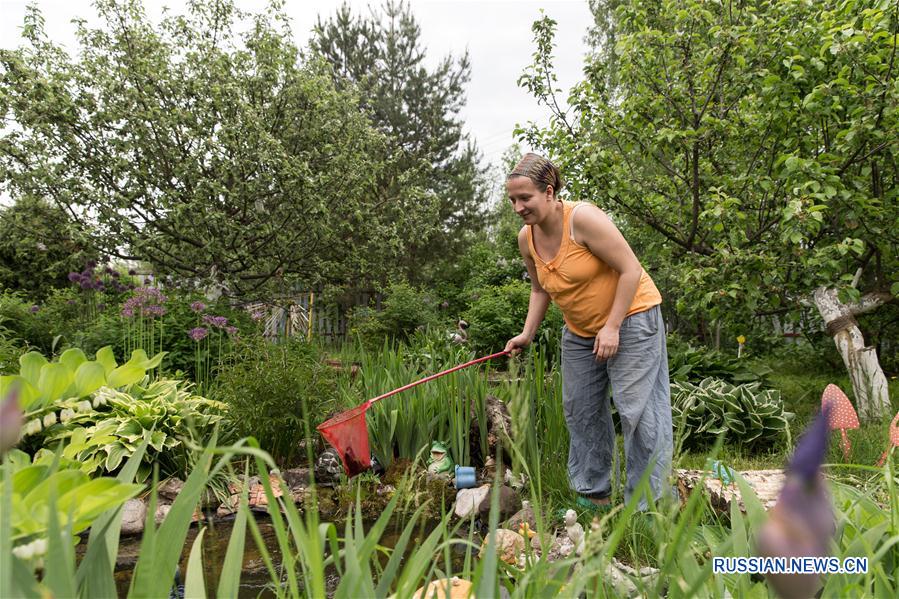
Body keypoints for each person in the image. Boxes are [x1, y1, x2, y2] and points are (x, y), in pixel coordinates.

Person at [503, 153, 672, 510]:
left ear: (549, 192)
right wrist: (527, 334)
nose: (518, 207)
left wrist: (612, 327)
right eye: (512, 200)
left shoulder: (583, 220)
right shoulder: (526, 238)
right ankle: (593, 493)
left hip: (632, 318)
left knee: (637, 411)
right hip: (580, 330)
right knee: (580, 409)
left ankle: (646, 507)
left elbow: (631, 269)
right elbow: (539, 289)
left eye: (525, 198)